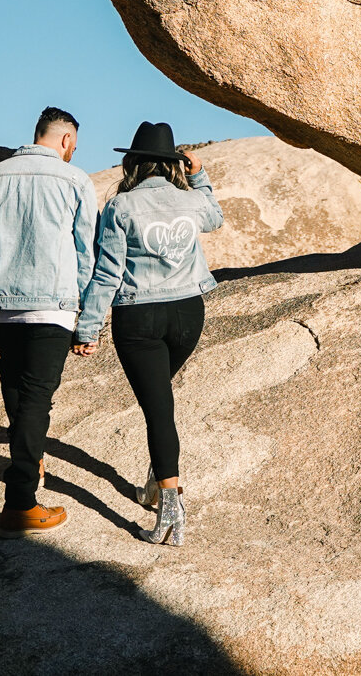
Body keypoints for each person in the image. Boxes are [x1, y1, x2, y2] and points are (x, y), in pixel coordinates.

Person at [75, 121, 224, 546]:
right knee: (160, 401)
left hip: (138, 319)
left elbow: (106, 273)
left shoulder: (120, 208)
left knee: (159, 410)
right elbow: (215, 216)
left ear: (133, 164)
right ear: (172, 163)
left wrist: (88, 328)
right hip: (187, 315)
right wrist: (199, 174)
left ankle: (171, 512)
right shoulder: (190, 199)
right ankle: (158, 482)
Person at [0, 105, 100, 538]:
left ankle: (30, 457)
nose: (73, 153)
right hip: (53, 306)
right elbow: (86, 252)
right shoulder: (74, 180)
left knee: (15, 387)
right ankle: (20, 503)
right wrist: (81, 307)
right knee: (37, 399)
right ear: (64, 140)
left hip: (2, 306)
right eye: (73, 146)